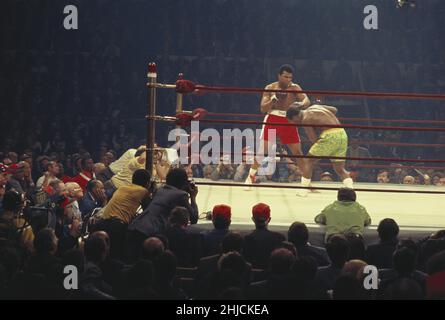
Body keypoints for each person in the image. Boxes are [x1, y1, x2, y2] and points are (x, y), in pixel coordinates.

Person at [244, 65, 310, 189]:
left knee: (298, 153)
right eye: (285, 76)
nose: (288, 79)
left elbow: (307, 100)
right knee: (262, 151)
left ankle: (306, 183)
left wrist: (300, 104)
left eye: (290, 77)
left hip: (288, 120)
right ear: (279, 76)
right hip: (273, 119)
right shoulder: (270, 88)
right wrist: (272, 101)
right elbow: (263, 108)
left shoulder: (295, 88)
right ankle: (250, 177)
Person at [286, 104, 353, 197]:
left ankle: (303, 190)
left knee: (308, 161)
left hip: (329, 135)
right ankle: (351, 190)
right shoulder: (315, 106)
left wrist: (321, 142)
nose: (295, 124)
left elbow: (313, 138)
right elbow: (334, 109)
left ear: (295, 116)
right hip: (342, 134)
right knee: (339, 168)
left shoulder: (305, 119)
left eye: (293, 121)